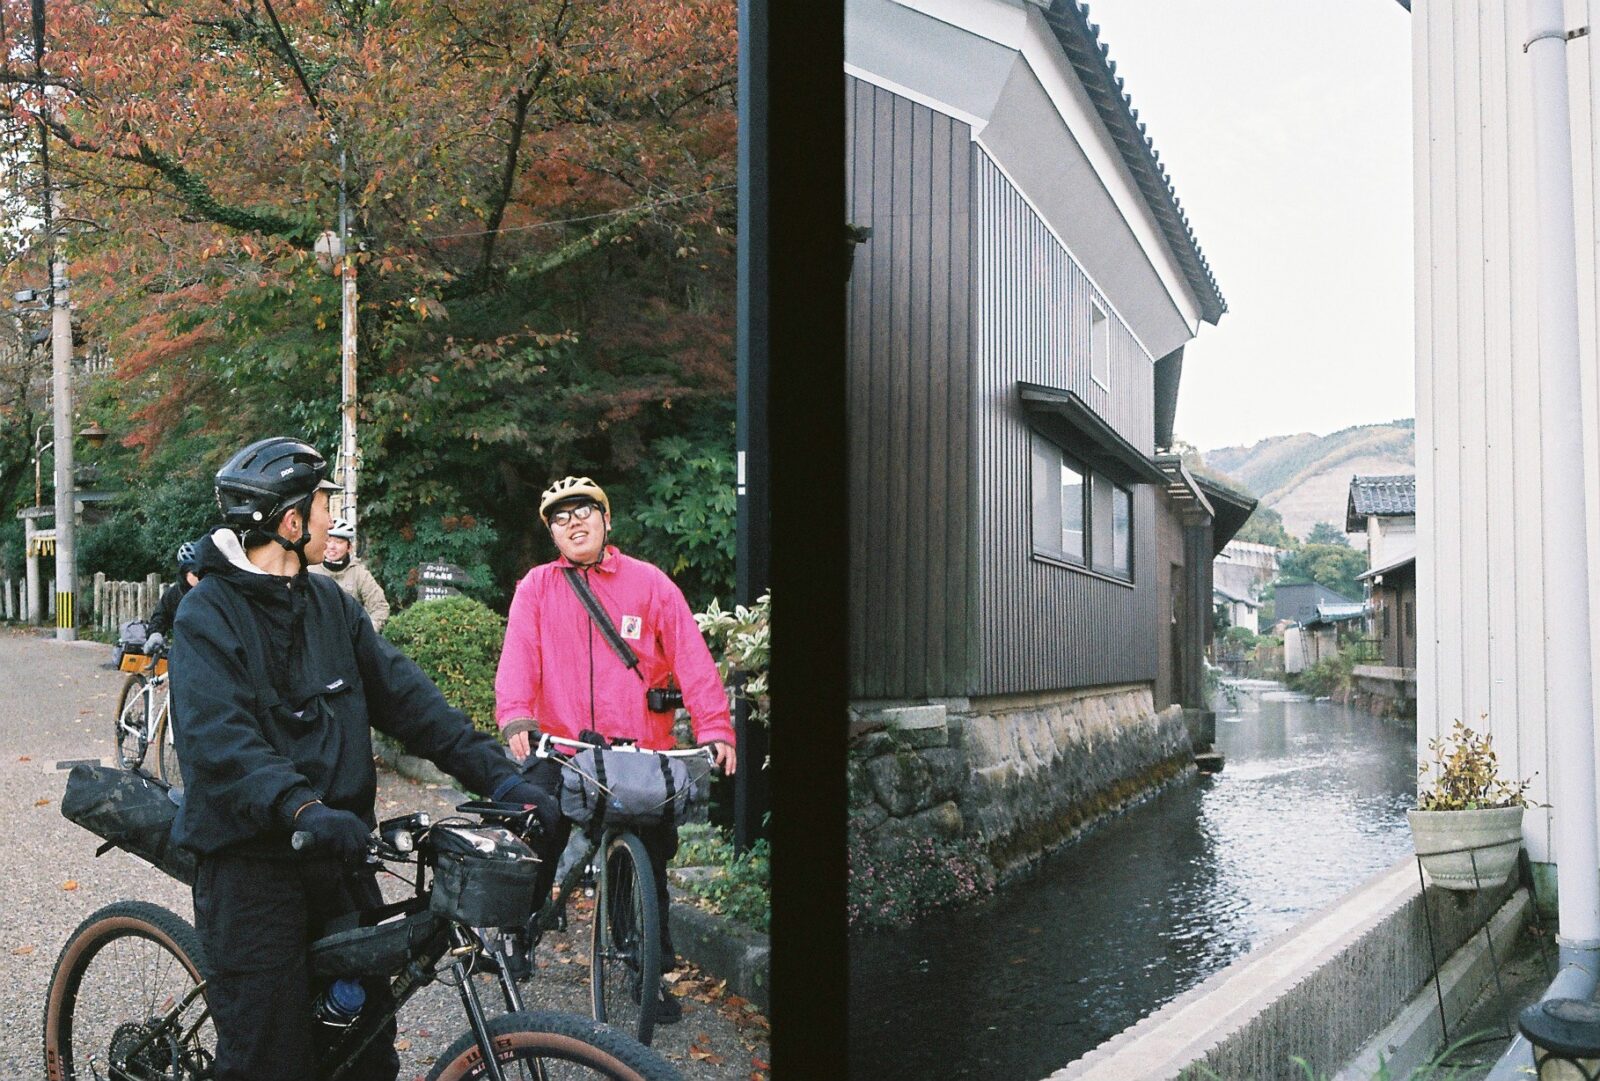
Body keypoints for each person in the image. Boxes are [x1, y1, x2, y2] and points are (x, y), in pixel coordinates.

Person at [168, 436, 557, 1081]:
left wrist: (501, 776)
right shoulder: (207, 612)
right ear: (290, 523)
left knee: (367, 1052)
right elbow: (220, 740)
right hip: (252, 866)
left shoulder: (332, 606)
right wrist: (301, 805)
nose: (333, 519)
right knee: (270, 1059)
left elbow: (412, 703)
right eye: (324, 505)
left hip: (338, 856)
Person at [494, 475, 737, 1020]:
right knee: (536, 823)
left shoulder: (650, 584)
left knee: (649, 854)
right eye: (560, 518)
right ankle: (517, 931)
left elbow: (692, 658)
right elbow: (519, 656)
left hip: (638, 751)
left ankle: (648, 969)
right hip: (563, 746)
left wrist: (715, 728)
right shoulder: (537, 587)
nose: (573, 523)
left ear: (607, 520)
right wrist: (516, 716)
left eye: (584, 511)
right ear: (552, 534)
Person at [310, 517, 391, 631]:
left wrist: (366, 633)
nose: (332, 546)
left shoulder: (359, 573)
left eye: (338, 542)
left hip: (349, 635)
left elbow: (380, 607)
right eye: (328, 541)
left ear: (349, 547)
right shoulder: (310, 570)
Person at [140, 538, 209, 657]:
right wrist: (155, 634)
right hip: (183, 652)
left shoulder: (212, 592)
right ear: (184, 572)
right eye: (195, 573)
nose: (200, 578)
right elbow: (159, 617)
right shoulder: (173, 594)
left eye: (203, 573)